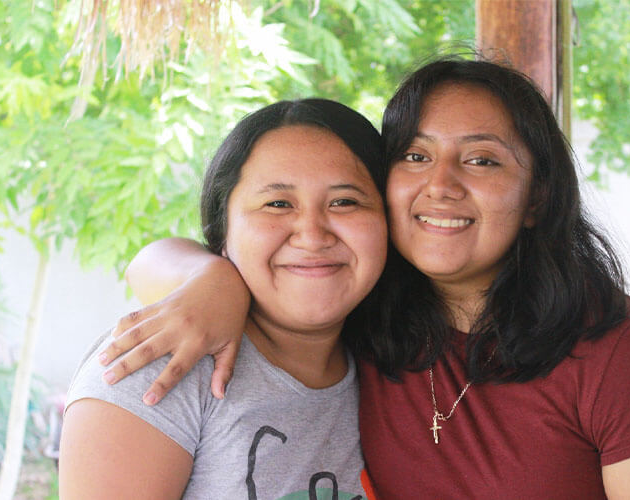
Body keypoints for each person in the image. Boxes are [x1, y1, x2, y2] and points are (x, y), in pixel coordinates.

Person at [96, 57, 630, 499]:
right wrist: (212, 282)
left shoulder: (615, 354)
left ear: (538, 197)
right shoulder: (365, 318)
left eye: (482, 159)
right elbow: (160, 258)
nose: (440, 185)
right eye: (415, 155)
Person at [58, 98, 389, 499]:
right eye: (278, 204)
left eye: (345, 201)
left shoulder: (397, 369)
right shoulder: (162, 363)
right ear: (223, 230)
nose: (313, 234)